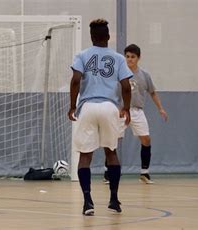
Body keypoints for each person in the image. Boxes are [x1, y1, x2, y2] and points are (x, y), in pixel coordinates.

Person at [68, 19, 132, 215]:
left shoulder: (82, 55)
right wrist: (126, 108)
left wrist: (72, 106)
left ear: (91, 37)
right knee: (111, 152)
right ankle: (114, 199)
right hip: (109, 106)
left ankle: (87, 202)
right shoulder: (118, 58)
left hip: (87, 107)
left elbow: (76, 80)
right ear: (108, 36)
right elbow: (126, 86)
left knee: (85, 155)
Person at [104, 44, 168, 184]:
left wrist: (160, 108)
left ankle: (144, 173)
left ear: (138, 58)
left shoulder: (144, 75)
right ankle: (108, 172)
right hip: (120, 110)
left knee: (146, 140)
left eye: (133, 57)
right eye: (127, 56)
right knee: (113, 140)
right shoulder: (118, 73)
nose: (129, 59)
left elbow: (152, 92)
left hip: (137, 111)